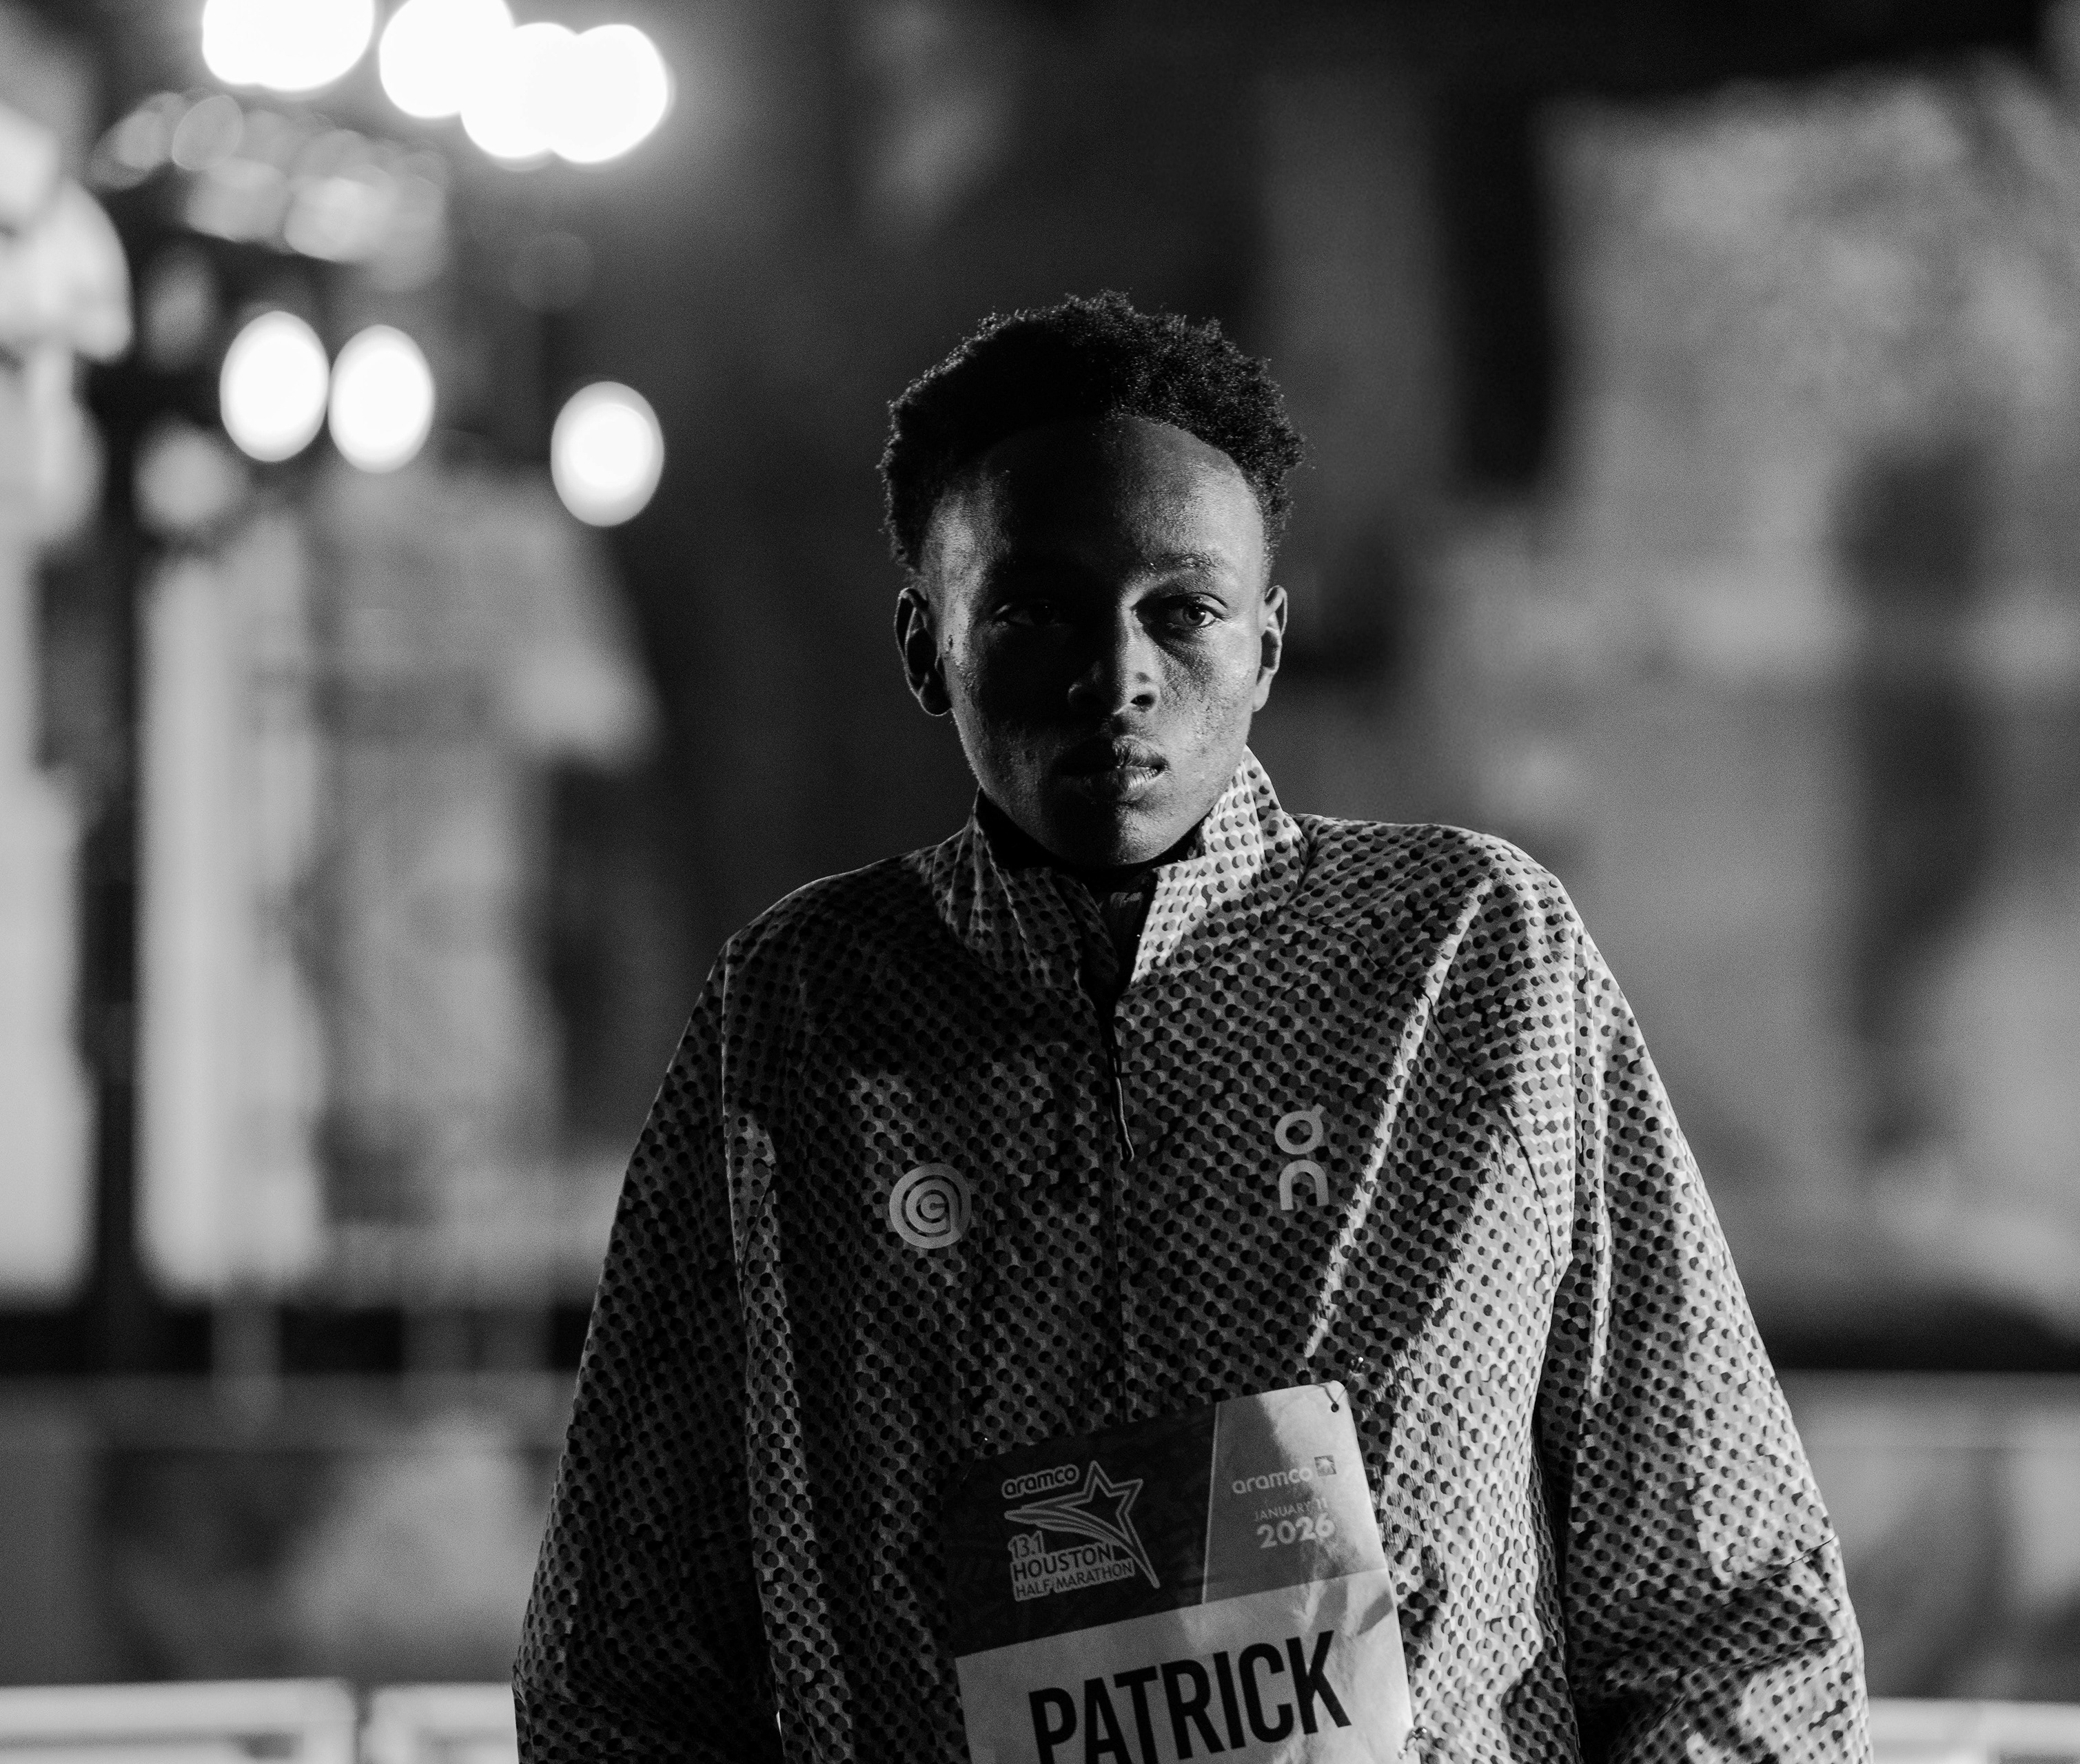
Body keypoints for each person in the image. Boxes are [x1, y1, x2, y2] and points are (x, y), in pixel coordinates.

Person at [516, 291, 1868, 1762]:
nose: (1119, 676)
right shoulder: (798, 1018)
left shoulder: (1472, 963)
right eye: (1033, 609)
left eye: (1184, 610)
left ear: (1270, 646)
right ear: (925, 646)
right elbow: (623, 1676)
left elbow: (1729, 1613)